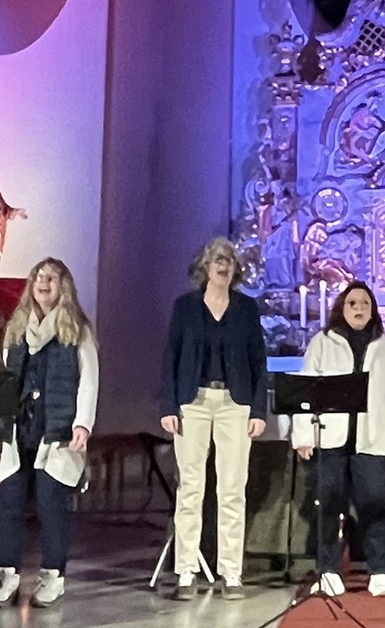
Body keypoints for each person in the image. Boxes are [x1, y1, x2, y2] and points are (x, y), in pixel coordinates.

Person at [160, 236, 269, 600]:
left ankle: (232, 574)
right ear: (205, 266)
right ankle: (186, 572)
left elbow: (258, 362)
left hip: (233, 404)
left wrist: (258, 410)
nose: (223, 265)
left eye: (229, 261)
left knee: (232, 490)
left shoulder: (246, 309)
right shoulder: (185, 307)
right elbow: (171, 358)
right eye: (217, 260)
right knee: (190, 488)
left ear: (235, 270)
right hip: (193, 402)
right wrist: (168, 407)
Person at [0, 258, 98, 609]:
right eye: (38, 276)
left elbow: (88, 380)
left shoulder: (76, 329)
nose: (44, 282)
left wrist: (82, 424)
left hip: (57, 431)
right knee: (9, 505)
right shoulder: (17, 329)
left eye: (52, 277)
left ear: (63, 285)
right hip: (21, 431)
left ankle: (53, 576)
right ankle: (8, 576)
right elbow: (7, 381)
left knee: (51, 506)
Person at [291, 281, 385, 597]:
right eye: (353, 303)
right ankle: (329, 570)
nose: (359, 309)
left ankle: (380, 571)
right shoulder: (323, 342)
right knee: (328, 505)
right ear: (342, 308)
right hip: (331, 439)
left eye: (365, 304)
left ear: (373, 311)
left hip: (369, 442)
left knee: (374, 504)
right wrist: (303, 435)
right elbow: (306, 389)